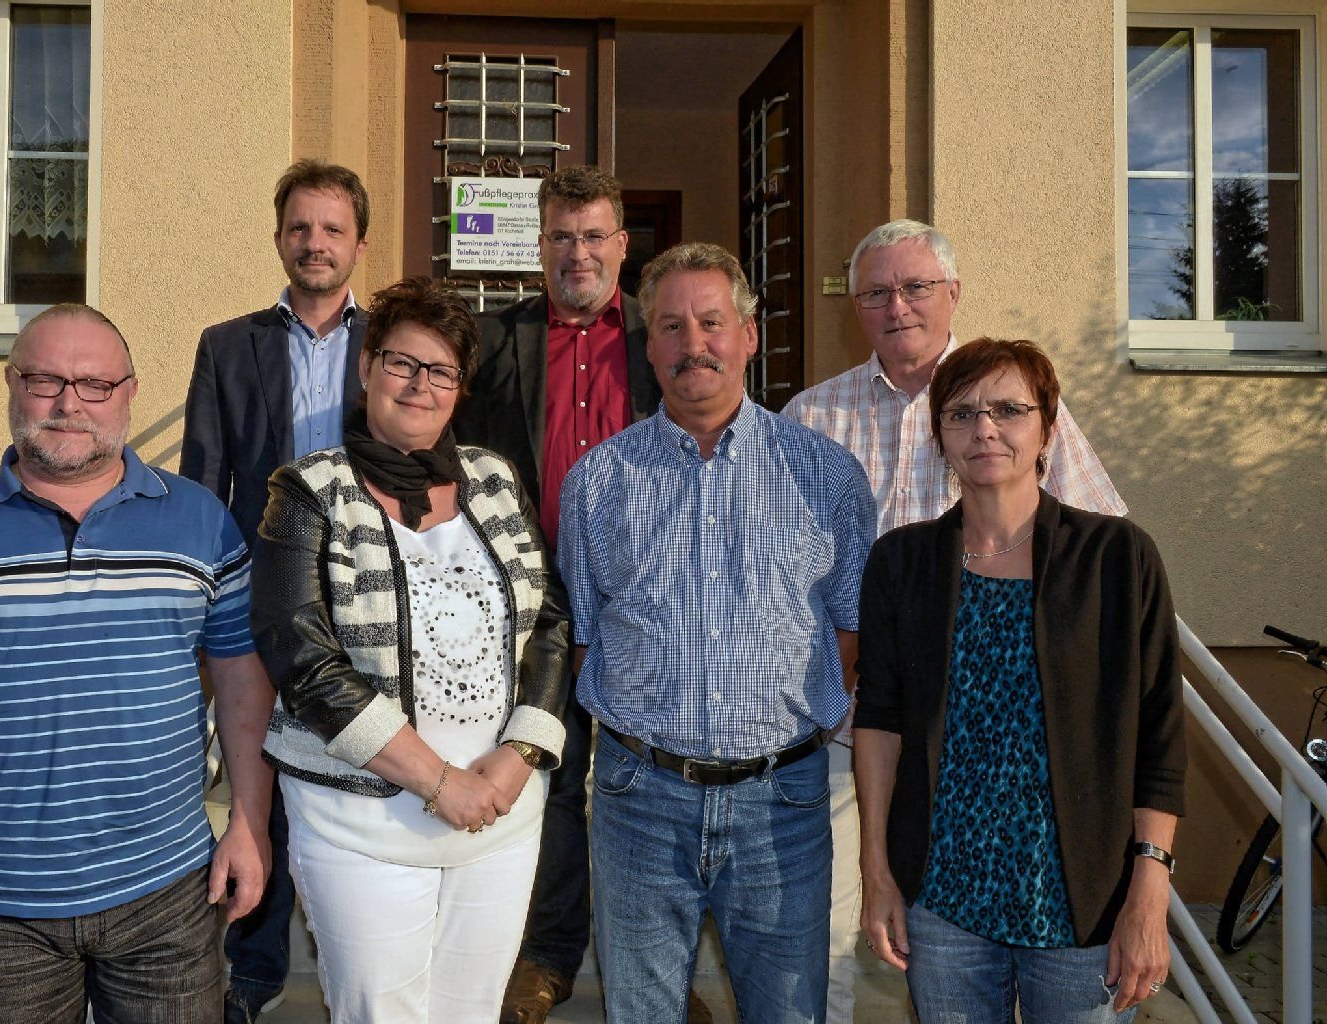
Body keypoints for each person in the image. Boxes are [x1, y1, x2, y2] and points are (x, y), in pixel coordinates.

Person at [0, 304, 274, 1022]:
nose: (70, 403)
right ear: (11, 385)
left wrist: (249, 827)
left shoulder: (201, 524)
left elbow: (240, 685)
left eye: (95, 384)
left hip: (166, 896)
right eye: (45, 380)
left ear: (129, 392)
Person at [781, 218, 1126, 1024]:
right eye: (875, 291)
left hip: (994, 746)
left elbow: (1095, 555)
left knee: (997, 943)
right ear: (854, 306)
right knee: (831, 938)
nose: (896, 306)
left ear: (953, 294)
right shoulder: (809, 419)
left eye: (915, 287)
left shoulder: (1013, 404)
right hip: (848, 725)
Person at [559, 242, 876, 1023]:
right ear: (647, 341)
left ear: (748, 334)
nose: (691, 344)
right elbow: (585, 637)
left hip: (782, 801)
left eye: (710, 323)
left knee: (788, 1012)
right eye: (669, 326)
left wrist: (774, 712)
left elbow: (849, 625)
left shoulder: (826, 475)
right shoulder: (597, 480)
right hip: (639, 797)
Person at [249, 277, 570, 1023]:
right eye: (400, 363)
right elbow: (300, 659)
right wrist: (437, 781)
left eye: (441, 371)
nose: (418, 385)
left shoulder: (494, 479)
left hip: (498, 819)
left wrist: (519, 754)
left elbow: (548, 621)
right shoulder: (308, 491)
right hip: (361, 825)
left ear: (460, 388)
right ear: (366, 370)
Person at [854, 337, 1184, 1023]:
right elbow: (879, 724)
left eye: (1008, 409)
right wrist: (877, 873)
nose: (984, 429)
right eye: (962, 412)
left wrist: (1148, 890)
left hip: (1080, 903)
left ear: (1046, 429)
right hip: (942, 900)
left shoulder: (1116, 558)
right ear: (939, 434)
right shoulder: (901, 562)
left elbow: (1158, 734)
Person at [455, 164, 663, 1024]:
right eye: (560, 237)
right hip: (532, 602)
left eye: (592, 236)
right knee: (553, 776)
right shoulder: (496, 341)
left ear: (621, 246)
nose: (576, 253)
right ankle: (545, 956)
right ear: (538, 247)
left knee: (647, 787)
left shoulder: (663, 337)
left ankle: (648, 968)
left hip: (647, 597)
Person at [179, 158, 371, 1023]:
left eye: (332, 229)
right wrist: (205, 601)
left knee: (353, 776)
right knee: (257, 779)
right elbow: (204, 480)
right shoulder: (229, 346)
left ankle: (353, 973)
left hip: (365, 602)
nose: (315, 243)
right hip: (261, 598)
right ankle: (253, 980)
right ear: (278, 238)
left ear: (358, 243)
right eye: (300, 227)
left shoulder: (390, 344)